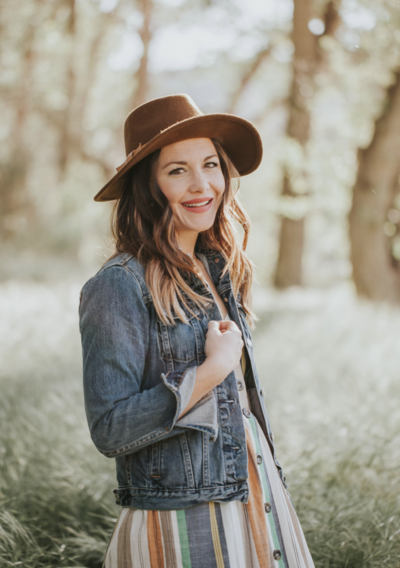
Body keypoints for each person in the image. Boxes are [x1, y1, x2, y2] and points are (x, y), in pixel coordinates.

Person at [79, 93, 315, 568]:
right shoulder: (119, 284)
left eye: (210, 164)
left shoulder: (219, 269)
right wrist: (212, 370)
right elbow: (110, 429)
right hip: (182, 518)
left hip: (256, 491)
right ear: (148, 186)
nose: (201, 184)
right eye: (177, 170)